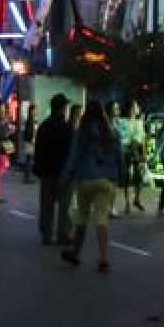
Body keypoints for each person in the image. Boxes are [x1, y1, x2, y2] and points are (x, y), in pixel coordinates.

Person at [60, 100, 123, 275]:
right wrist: (119, 178)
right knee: (101, 219)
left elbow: (73, 157)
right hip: (107, 180)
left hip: (85, 179)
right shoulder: (112, 133)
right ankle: (103, 259)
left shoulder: (82, 133)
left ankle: (76, 253)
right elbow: (119, 158)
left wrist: (65, 178)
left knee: (82, 216)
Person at [34, 93, 75, 246]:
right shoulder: (67, 128)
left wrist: (38, 168)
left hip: (47, 171)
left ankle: (46, 234)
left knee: (46, 204)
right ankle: (63, 234)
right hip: (63, 172)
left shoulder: (44, 126)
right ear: (63, 108)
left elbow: (38, 149)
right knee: (64, 205)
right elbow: (71, 151)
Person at [20, 103, 38, 184]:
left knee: (29, 160)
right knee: (29, 160)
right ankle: (27, 177)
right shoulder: (30, 120)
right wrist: (32, 139)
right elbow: (28, 132)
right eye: (35, 110)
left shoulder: (31, 120)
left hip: (30, 142)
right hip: (30, 142)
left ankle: (27, 176)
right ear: (32, 111)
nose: (37, 111)